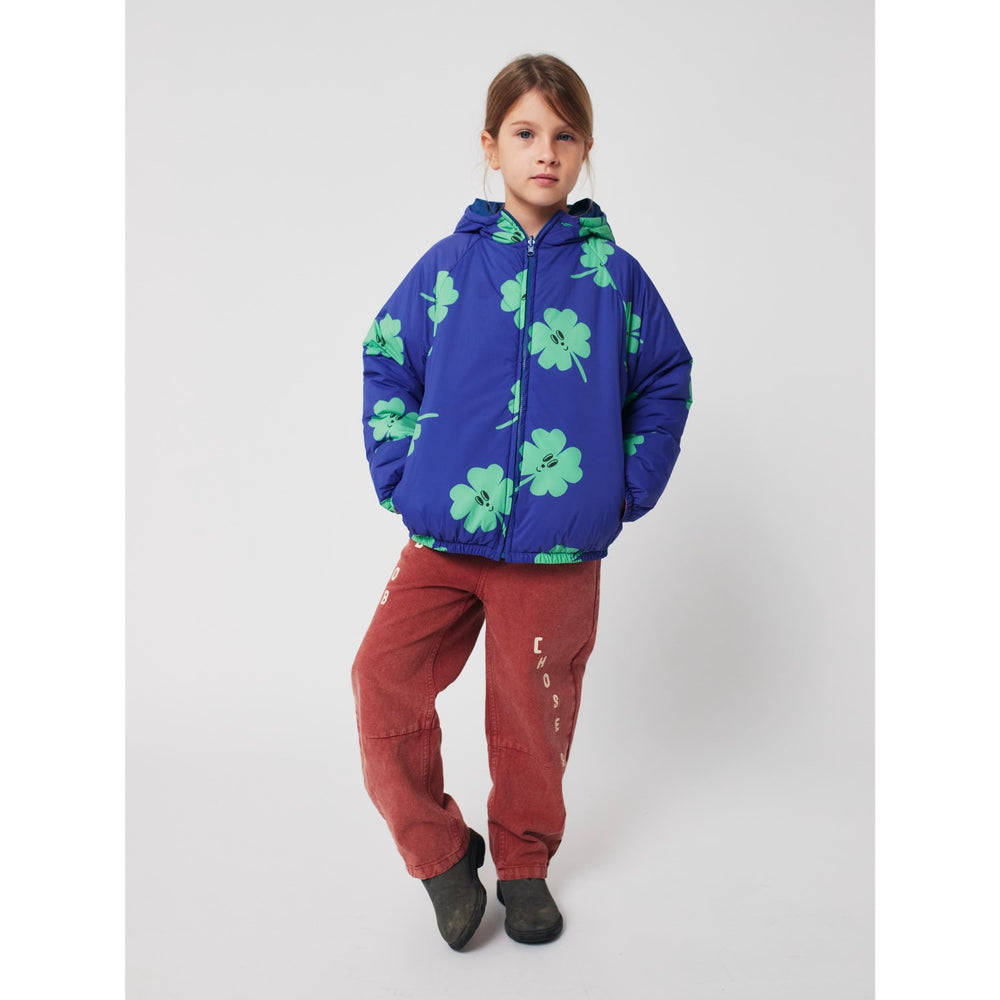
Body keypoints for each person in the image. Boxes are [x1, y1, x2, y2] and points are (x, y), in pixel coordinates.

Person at [351, 53, 693, 950]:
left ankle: (525, 864)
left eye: (564, 136)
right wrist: (401, 472)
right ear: (491, 145)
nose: (546, 152)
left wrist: (626, 485)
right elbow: (386, 355)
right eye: (526, 133)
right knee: (381, 678)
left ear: (584, 151)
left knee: (532, 713)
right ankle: (440, 854)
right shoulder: (449, 267)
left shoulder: (615, 278)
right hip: (444, 535)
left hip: (557, 544)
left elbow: (665, 376)